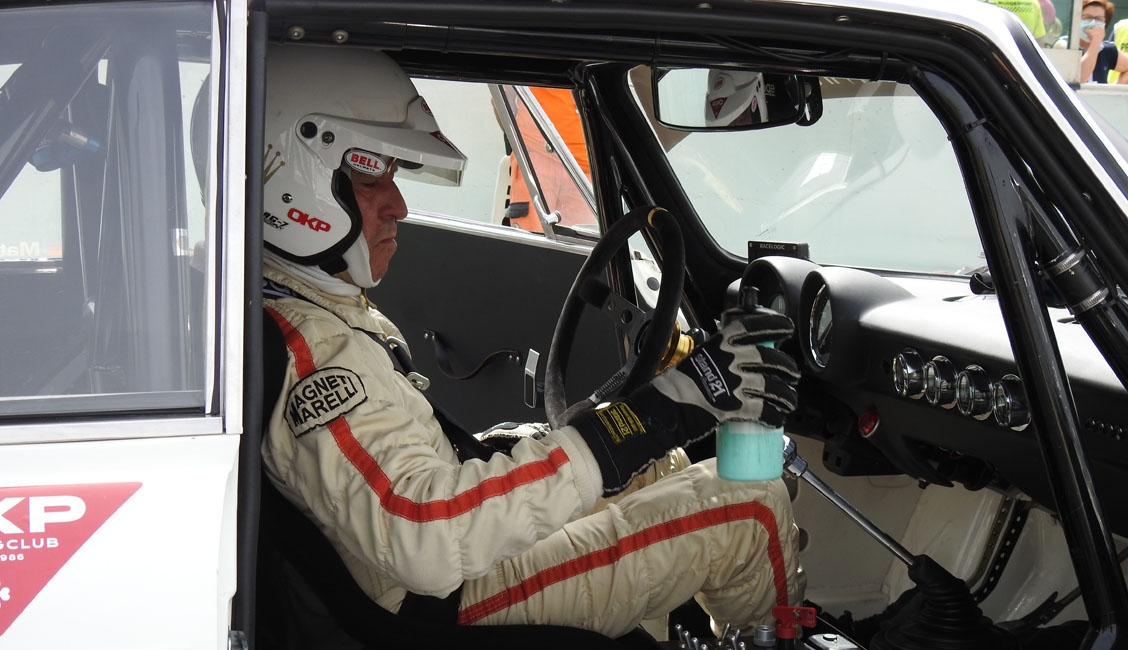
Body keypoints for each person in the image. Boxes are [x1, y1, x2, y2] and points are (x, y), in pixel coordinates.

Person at [259, 42, 806, 642]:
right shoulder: (314, 354)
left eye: (393, 176)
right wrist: (656, 411)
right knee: (752, 506)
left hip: (449, 561)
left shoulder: (314, 306)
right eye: (371, 178)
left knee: (661, 466)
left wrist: (623, 431)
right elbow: (424, 536)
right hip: (451, 600)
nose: (400, 205)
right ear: (293, 182)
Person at [979, 0, 1046, 40]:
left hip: (990, 53)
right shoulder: (1033, 3)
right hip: (1022, 55)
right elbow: (1039, 39)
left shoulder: (982, 2)